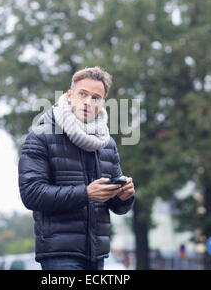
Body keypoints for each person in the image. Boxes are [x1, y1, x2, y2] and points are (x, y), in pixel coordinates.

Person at [18, 66, 135, 270]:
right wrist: (86, 194)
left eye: (96, 97)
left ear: (102, 103)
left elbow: (115, 205)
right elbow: (31, 194)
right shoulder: (41, 136)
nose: (88, 102)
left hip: (97, 255)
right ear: (70, 95)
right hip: (59, 254)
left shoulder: (107, 143)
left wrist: (124, 196)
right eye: (83, 94)